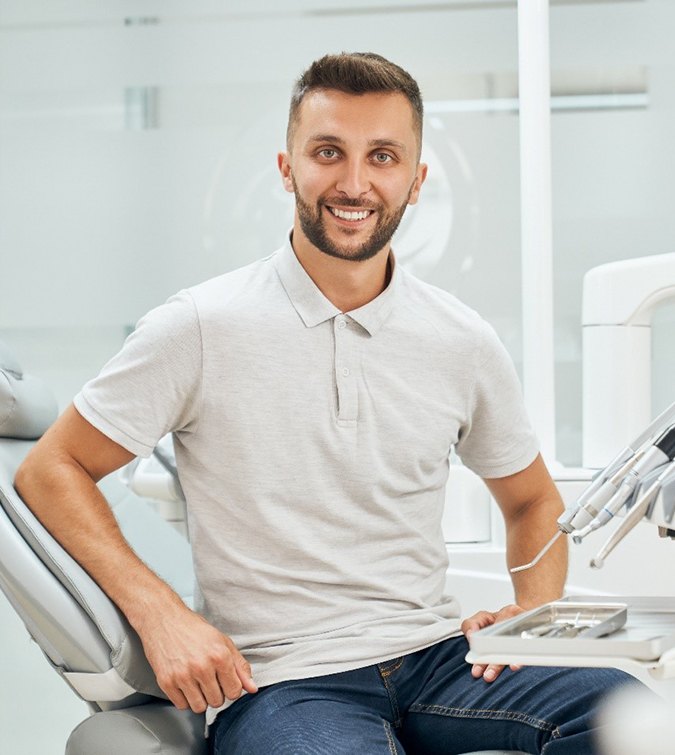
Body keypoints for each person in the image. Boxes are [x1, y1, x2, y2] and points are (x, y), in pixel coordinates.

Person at [15, 52, 634, 754]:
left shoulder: (460, 338)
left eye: (382, 156)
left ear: (415, 178)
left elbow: (532, 503)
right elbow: (50, 469)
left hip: (439, 659)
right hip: (285, 682)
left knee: (631, 719)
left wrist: (527, 616)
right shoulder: (199, 325)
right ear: (287, 168)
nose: (354, 182)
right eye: (328, 152)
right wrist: (163, 613)